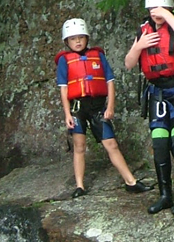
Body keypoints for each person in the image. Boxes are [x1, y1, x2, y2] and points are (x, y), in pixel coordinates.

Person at [55, 18, 151, 198]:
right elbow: (64, 88)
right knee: (79, 145)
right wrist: (67, 113)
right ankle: (80, 186)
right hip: (78, 108)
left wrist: (111, 106)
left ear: (87, 38)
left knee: (111, 144)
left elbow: (109, 81)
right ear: (67, 41)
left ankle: (131, 181)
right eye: (73, 38)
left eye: (81, 37)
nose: (77, 41)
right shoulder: (64, 61)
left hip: (98, 107)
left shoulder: (98, 56)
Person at [124, 0, 174, 216]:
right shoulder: (143, 30)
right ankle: (166, 195)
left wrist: (168, 15)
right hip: (157, 92)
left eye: (161, 8)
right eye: (153, 8)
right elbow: (128, 63)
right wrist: (139, 46)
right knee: (160, 144)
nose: (156, 12)